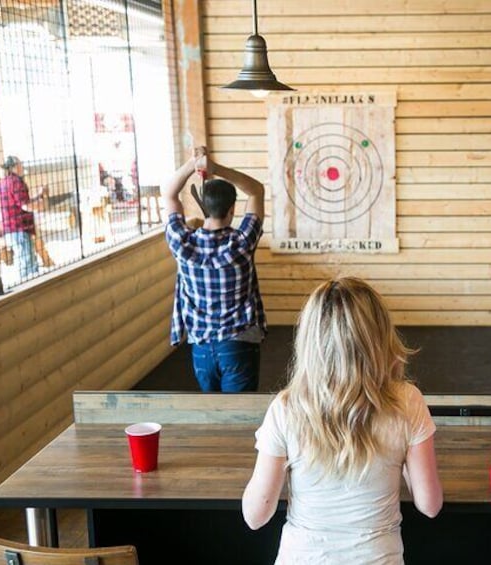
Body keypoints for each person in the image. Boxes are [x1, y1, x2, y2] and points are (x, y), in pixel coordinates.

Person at [242, 277, 443, 564]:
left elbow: (255, 516)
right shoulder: (407, 401)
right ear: (380, 335)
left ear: (310, 339)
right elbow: (430, 504)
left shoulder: (286, 407)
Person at [164, 146, 267, 392]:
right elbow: (256, 191)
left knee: (214, 413)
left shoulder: (182, 243)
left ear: (203, 208)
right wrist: (216, 168)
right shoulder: (241, 243)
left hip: (200, 347)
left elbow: (168, 194)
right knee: (240, 416)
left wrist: (193, 164)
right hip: (239, 343)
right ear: (232, 210)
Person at [0, 155, 46, 279]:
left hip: (11, 228)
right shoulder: (16, 181)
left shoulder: (4, 181)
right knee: (28, 264)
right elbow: (25, 205)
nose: (22, 166)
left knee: (26, 260)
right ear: (14, 166)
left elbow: (20, 202)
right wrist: (40, 206)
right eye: (20, 164)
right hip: (19, 228)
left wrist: (38, 195)